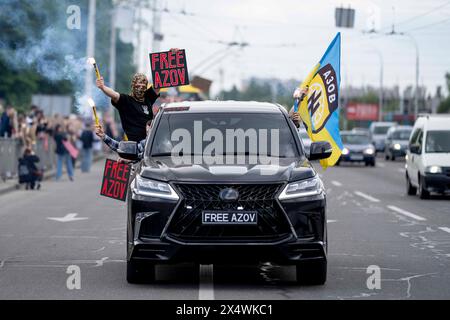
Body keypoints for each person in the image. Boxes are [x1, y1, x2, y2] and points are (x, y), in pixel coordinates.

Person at [95, 48, 179, 142]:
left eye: (144, 85)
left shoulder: (147, 98)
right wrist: (103, 87)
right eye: (138, 85)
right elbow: (114, 95)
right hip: (133, 145)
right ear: (133, 86)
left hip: (149, 143)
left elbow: (160, 82)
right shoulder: (126, 100)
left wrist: (170, 57)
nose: (141, 88)